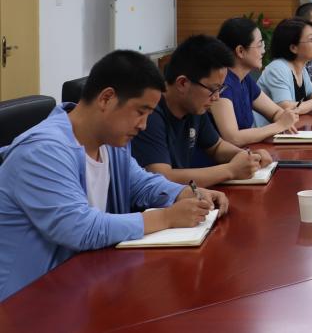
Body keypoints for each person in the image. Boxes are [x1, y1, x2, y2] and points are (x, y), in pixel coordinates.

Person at [0, 51, 228, 301]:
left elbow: (141, 183)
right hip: (25, 302)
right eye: (140, 111)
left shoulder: (110, 142)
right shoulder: (43, 151)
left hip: (86, 284)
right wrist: (166, 218)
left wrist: (184, 193)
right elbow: (81, 229)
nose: (143, 125)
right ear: (106, 98)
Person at [131, 35, 274, 186]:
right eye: (213, 89)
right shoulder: (149, 113)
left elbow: (216, 147)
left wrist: (248, 156)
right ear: (183, 83)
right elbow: (162, 177)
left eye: (220, 89)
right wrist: (230, 170)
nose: (216, 97)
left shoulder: (194, 107)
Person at [209, 17, 301, 147]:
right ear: (240, 51)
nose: (263, 50)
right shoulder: (221, 83)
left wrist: (285, 117)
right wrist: (279, 125)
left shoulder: (245, 79)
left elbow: (275, 112)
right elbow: (232, 138)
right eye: (259, 45)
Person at [257, 17, 312, 114]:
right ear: (293, 48)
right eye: (311, 39)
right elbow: (287, 109)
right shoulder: (277, 69)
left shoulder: (301, 67)